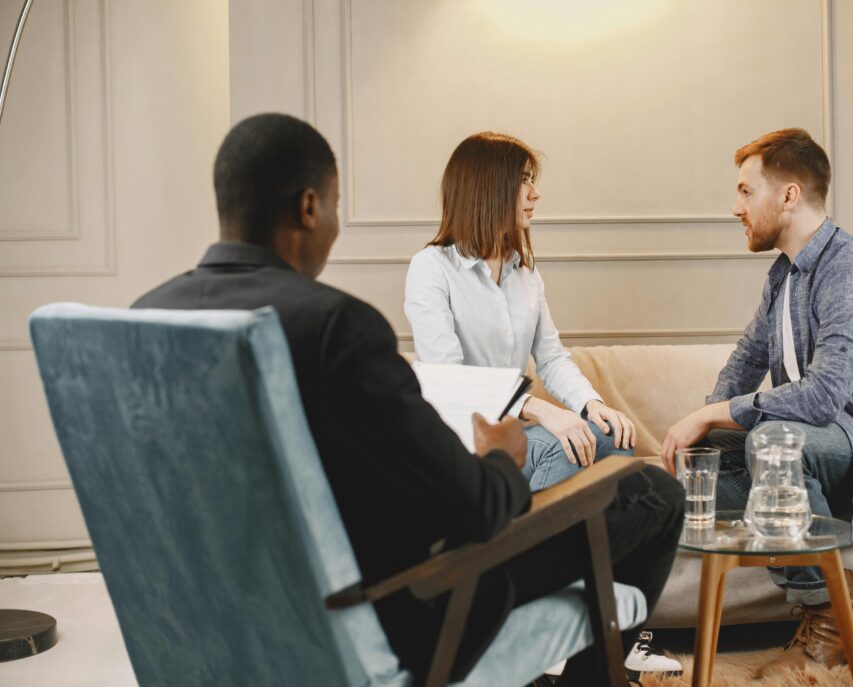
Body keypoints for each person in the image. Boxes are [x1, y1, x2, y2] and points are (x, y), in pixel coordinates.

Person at [133, 113, 685, 686]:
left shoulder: (145, 320)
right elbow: (472, 509)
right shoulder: (338, 328)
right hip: (411, 607)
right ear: (309, 208)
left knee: (605, 463)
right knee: (656, 495)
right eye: (337, 204)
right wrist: (502, 458)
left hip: (231, 621)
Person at [661, 128, 853, 675]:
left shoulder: (851, 272)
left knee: (772, 440)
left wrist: (712, 413)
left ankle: (829, 612)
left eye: (746, 192)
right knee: (703, 461)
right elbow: (746, 360)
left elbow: (822, 399)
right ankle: (849, 592)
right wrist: (701, 426)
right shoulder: (784, 275)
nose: (735, 207)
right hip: (815, 447)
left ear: (788, 196)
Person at [404, 132, 638, 493]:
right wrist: (540, 409)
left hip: (514, 432)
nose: (535, 193)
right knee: (565, 449)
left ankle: (545, 542)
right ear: (488, 188)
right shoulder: (431, 268)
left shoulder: (524, 270)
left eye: (533, 180)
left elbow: (552, 357)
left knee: (614, 439)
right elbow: (447, 375)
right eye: (524, 180)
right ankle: (529, 545)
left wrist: (591, 405)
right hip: (463, 441)